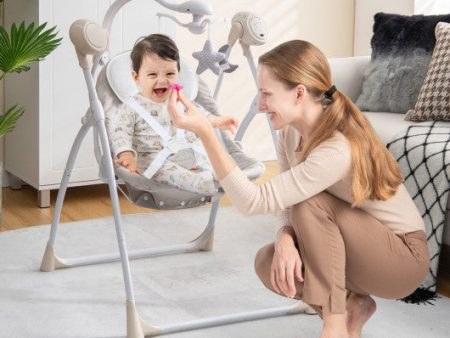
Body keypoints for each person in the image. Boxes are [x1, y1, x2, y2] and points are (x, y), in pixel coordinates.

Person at [166, 40, 429, 338]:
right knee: (270, 262)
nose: (260, 104)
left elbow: (254, 201)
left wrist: (205, 132)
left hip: (400, 260)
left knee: (309, 203)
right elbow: (285, 204)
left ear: (299, 93)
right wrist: (285, 239)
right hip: (356, 250)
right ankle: (351, 305)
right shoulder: (290, 135)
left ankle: (334, 325)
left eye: (266, 94)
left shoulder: (336, 148)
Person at [106, 34, 238, 196]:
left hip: (190, 151)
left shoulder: (180, 99)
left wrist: (217, 121)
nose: (162, 81)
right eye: (152, 75)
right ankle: (202, 183)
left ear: (178, 73)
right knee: (170, 173)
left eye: (169, 74)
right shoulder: (131, 108)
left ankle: (225, 178)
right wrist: (126, 154)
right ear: (136, 77)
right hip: (155, 160)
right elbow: (120, 133)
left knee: (218, 162)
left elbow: (199, 117)